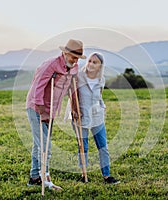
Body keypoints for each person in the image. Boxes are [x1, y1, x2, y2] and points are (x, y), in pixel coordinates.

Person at [26, 39, 86, 189]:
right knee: (45, 146)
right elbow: (37, 86)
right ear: (65, 53)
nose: (75, 60)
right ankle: (45, 179)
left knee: (38, 144)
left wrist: (74, 106)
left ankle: (34, 178)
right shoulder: (51, 64)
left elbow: (72, 88)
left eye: (78, 58)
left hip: (52, 109)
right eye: (73, 57)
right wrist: (40, 107)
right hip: (36, 107)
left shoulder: (74, 68)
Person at [73, 52, 120, 184]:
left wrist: (102, 107)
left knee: (103, 146)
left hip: (97, 117)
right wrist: (74, 112)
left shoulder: (101, 80)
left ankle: (107, 176)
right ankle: (83, 175)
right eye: (90, 61)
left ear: (100, 66)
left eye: (95, 62)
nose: (91, 64)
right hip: (81, 116)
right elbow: (71, 94)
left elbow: (99, 96)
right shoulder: (78, 77)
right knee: (83, 146)